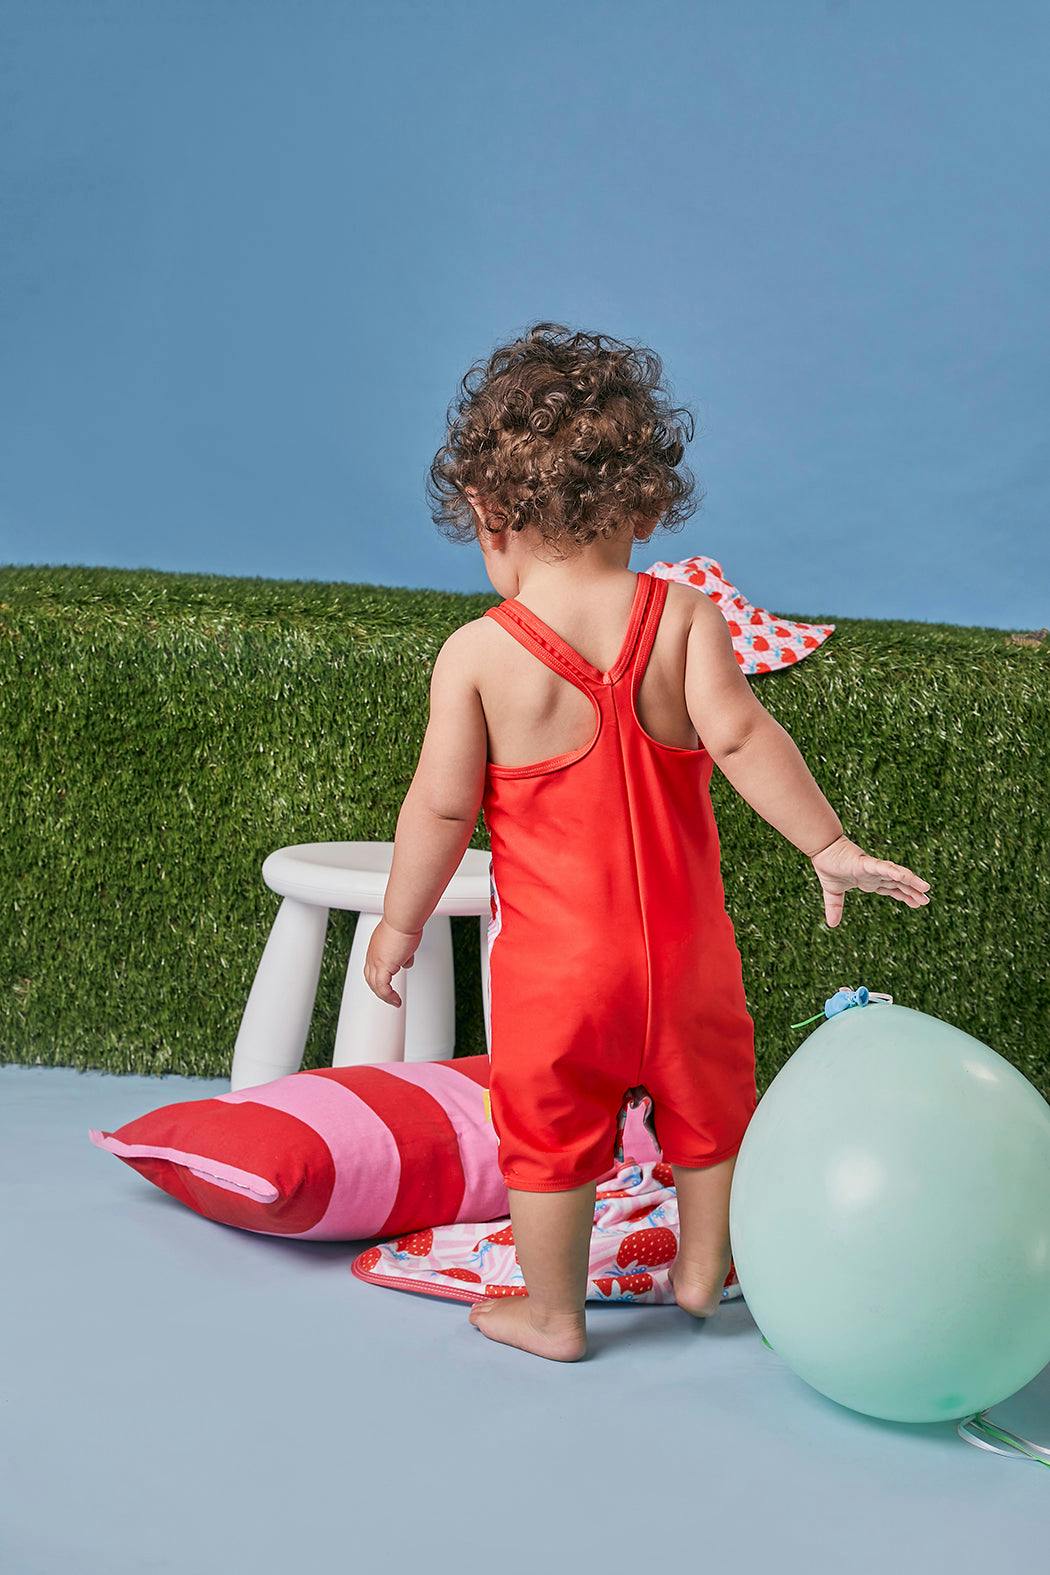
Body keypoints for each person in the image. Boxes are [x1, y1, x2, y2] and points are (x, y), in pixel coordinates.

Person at [363, 322, 931, 1362]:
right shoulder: (683, 618)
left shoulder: (478, 656)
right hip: (689, 959)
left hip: (557, 979)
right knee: (712, 1112)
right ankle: (706, 1270)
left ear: (488, 514)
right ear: (647, 506)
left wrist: (400, 926)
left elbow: (439, 812)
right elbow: (745, 737)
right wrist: (828, 845)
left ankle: (553, 1313)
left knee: (549, 1135)